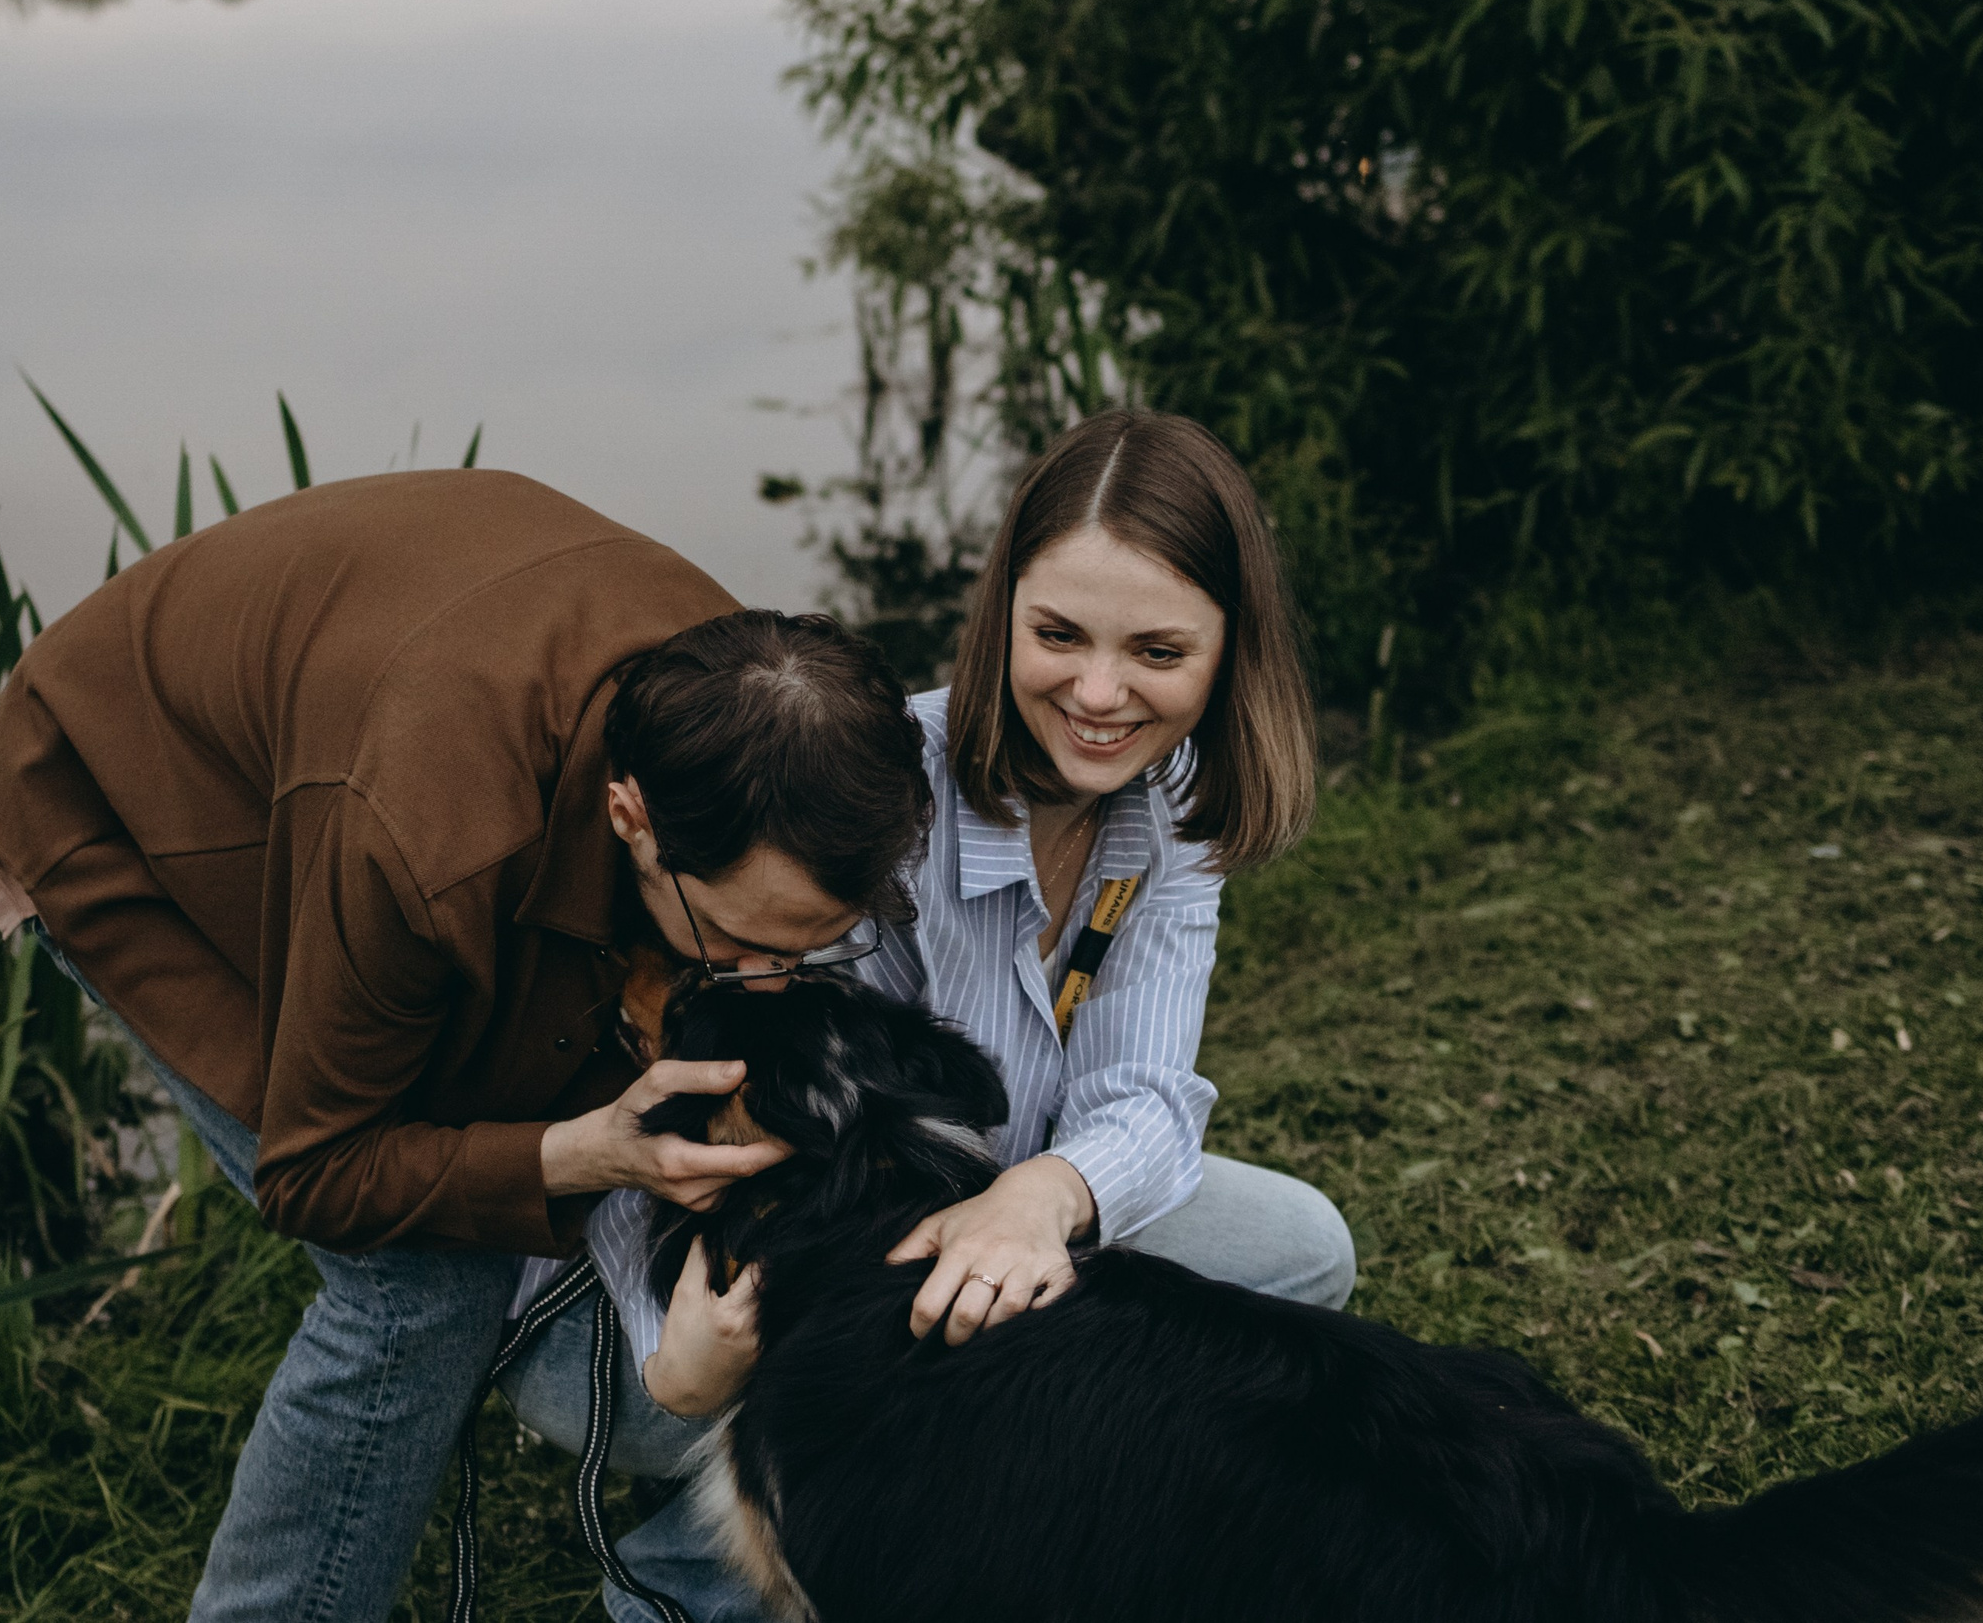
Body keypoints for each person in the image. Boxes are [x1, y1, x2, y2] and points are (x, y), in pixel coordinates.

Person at [0, 466, 934, 1622]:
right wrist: (579, 1155)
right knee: (413, 1284)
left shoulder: (758, 717)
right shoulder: (424, 845)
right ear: (632, 816)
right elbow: (317, 1170)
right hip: (123, 799)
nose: (764, 984)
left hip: (362, 705)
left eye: (805, 950)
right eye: (735, 940)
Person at [523, 409, 1357, 1623]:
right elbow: (688, 1117)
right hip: (719, 1280)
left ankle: (1021, 1491)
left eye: (1159, 651)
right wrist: (681, 1352)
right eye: (1056, 634)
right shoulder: (858, 792)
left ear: (1232, 651)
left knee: (1296, 1251)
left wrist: (1042, 1198)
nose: (1100, 693)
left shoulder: (1169, 804)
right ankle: (696, 1580)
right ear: (998, 611)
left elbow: (1143, 1094)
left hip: (948, 1215)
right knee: (826, 1356)